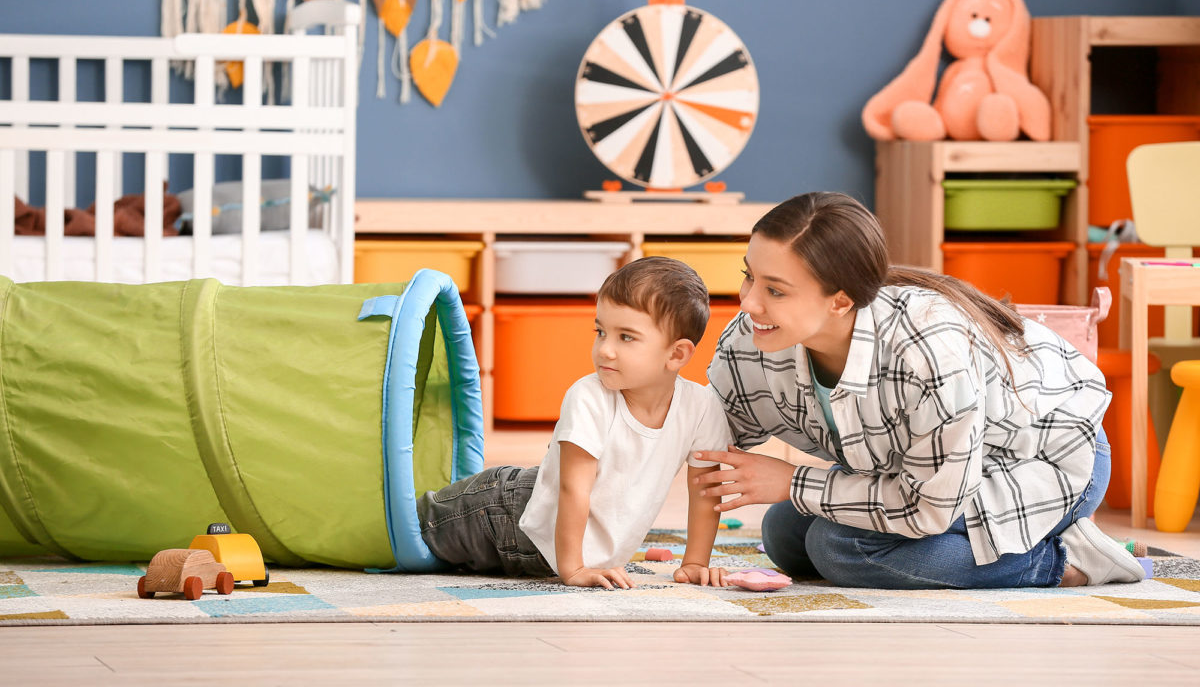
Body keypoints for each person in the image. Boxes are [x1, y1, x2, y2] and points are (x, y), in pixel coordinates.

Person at [696, 191, 1145, 590]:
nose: (749, 302)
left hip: (1039, 456)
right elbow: (705, 441)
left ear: (840, 301)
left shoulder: (926, 349)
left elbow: (930, 507)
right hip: (920, 474)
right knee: (785, 535)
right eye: (749, 275)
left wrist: (793, 480)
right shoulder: (752, 338)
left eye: (775, 290)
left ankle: (1066, 561)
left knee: (843, 548)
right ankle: (1026, 541)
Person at [418, 256, 734, 589]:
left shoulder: (701, 407)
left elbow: (706, 491)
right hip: (507, 510)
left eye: (626, 337)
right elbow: (573, 488)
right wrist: (573, 569)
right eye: (601, 332)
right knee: (412, 531)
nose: (605, 350)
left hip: (542, 546)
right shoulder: (589, 396)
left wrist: (696, 562)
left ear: (677, 355)